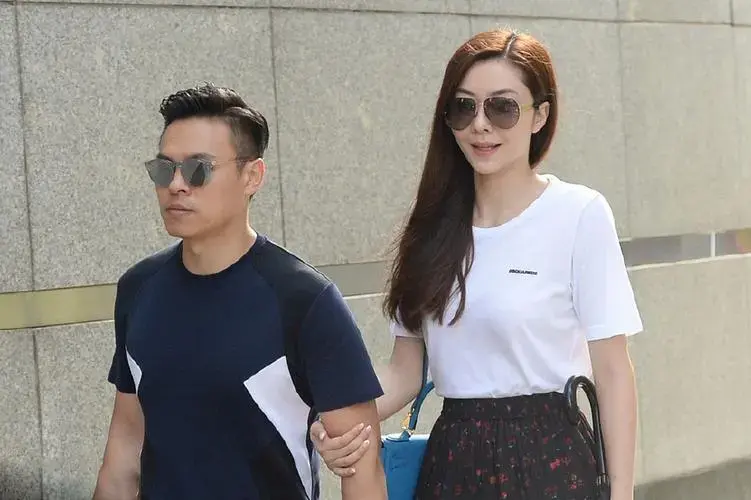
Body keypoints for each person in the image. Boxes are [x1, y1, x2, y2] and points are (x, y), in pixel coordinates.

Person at [310, 28, 642, 500]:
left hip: (553, 459)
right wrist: (337, 421)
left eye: (502, 108)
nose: (480, 125)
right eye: (464, 107)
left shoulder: (578, 214)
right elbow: (404, 372)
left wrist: (622, 493)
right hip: (454, 461)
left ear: (539, 115)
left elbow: (612, 372)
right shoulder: (431, 230)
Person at [92, 83, 387, 500]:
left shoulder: (305, 300)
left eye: (198, 169)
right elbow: (124, 453)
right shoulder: (139, 288)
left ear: (252, 176)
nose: (176, 185)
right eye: (164, 169)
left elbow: (363, 471)